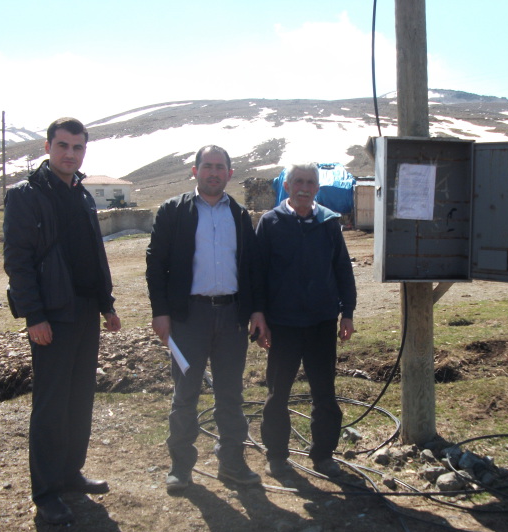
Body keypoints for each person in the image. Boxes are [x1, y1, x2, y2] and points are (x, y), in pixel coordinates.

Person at [3, 117, 121, 525]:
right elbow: (18, 262)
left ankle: (70, 473)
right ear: (48, 146)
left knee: (80, 397)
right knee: (52, 404)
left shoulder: (83, 194)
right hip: (52, 315)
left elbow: (93, 255)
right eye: (63, 146)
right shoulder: (26, 196)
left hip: (86, 311)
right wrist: (33, 315)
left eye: (78, 147)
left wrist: (107, 304)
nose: (70, 154)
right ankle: (46, 490)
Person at [146, 145, 266, 492]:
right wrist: (161, 313)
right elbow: (156, 265)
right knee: (186, 394)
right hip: (188, 318)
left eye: (220, 167)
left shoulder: (240, 216)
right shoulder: (174, 211)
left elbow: (252, 268)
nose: (213, 172)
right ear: (195, 171)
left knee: (230, 394)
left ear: (230, 173)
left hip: (231, 317)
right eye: (207, 166)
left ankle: (231, 463)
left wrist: (256, 309)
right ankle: (181, 468)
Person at [255, 163, 357, 479]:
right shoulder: (270, 222)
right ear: (286, 186)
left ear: (317, 188)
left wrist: (348, 312)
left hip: (321, 322)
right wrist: (258, 314)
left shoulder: (329, 223)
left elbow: (342, 269)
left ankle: (323, 455)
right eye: (298, 181)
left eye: (310, 182)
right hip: (282, 324)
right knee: (277, 394)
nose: (304, 187)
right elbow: (256, 274)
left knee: (324, 393)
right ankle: (276, 456)